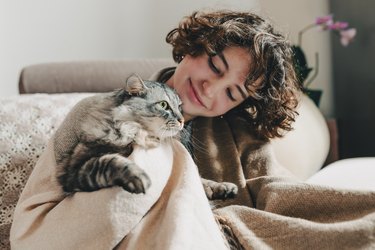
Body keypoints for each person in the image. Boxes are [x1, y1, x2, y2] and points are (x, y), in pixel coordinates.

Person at [10, 10, 375, 250]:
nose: (211, 90)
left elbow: (271, 191)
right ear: (191, 49)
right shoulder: (102, 109)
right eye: (215, 66)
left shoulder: (238, 132)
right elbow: (49, 201)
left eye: (232, 92)